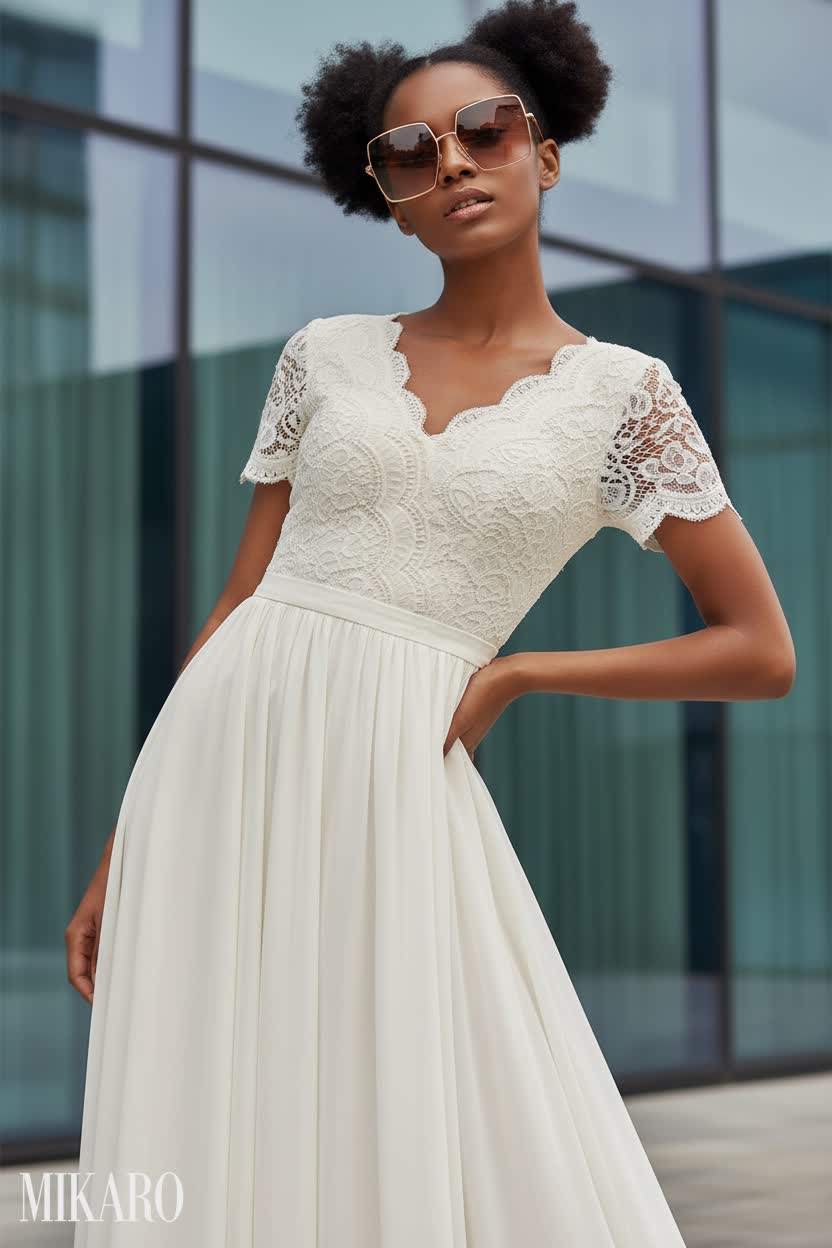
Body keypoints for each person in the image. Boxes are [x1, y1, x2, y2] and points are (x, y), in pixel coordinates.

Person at [66, 2, 795, 1244]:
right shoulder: (322, 356)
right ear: (390, 198)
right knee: (217, 1080)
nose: (450, 160)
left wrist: (519, 675)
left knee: (403, 1088)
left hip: (402, 766)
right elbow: (241, 598)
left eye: (481, 130)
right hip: (222, 757)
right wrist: (125, 842)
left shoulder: (627, 397)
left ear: (543, 150)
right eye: (410, 152)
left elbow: (759, 650)